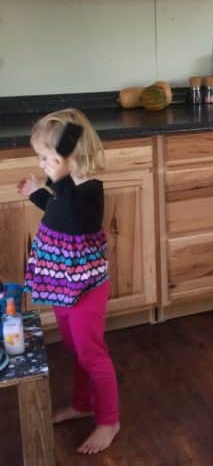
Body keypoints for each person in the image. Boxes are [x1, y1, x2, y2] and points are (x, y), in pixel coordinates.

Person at [18, 109, 120, 455]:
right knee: (75, 349)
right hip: (62, 286)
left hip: (85, 289)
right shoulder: (64, 188)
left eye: (48, 157)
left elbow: (77, 220)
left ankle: (109, 420)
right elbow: (57, 210)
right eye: (41, 157)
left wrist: (57, 181)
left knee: (92, 354)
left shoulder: (90, 189)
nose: (43, 163)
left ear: (71, 156)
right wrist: (37, 192)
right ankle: (82, 403)